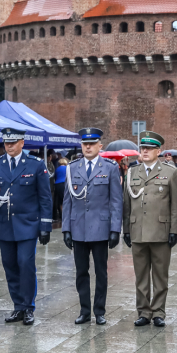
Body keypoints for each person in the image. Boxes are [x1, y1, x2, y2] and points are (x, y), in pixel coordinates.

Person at [0, 128, 52, 325]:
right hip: (5, 225)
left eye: (13, 142)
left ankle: (28, 306)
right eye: (6, 143)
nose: (9, 146)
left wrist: (45, 225)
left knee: (25, 264)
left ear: (22, 142)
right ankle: (18, 306)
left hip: (27, 225)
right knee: (10, 266)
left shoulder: (36, 164)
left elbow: (45, 198)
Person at [62, 127, 123, 326]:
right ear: (81, 145)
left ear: (100, 145)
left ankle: (100, 311)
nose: (88, 147)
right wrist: (66, 229)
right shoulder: (72, 168)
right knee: (81, 272)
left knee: (101, 272)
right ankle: (84, 311)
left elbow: (116, 201)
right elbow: (68, 201)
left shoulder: (110, 168)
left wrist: (115, 229)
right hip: (78, 227)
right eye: (85, 144)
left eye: (92, 144)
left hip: (100, 228)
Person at [123, 131, 177, 328]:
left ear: (159, 150)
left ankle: (158, 311)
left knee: (160, 275)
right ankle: (143, 311)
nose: (145, 151)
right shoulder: (132, 172)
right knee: (141, 276)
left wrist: (174, 230)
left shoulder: (170, 172)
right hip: (137, 230)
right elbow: (126, 205)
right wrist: (126, 230)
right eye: (143, 148)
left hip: (160, 230)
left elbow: (175, 204)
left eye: (149, 148)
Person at [53, 157, 67, 221]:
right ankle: (65, 215)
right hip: (65, 184)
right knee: (66, 200)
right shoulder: (67, 168)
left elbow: (55, 177)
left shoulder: (57, 169)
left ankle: (61, 215)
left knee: (59, 201)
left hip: (57, 185)